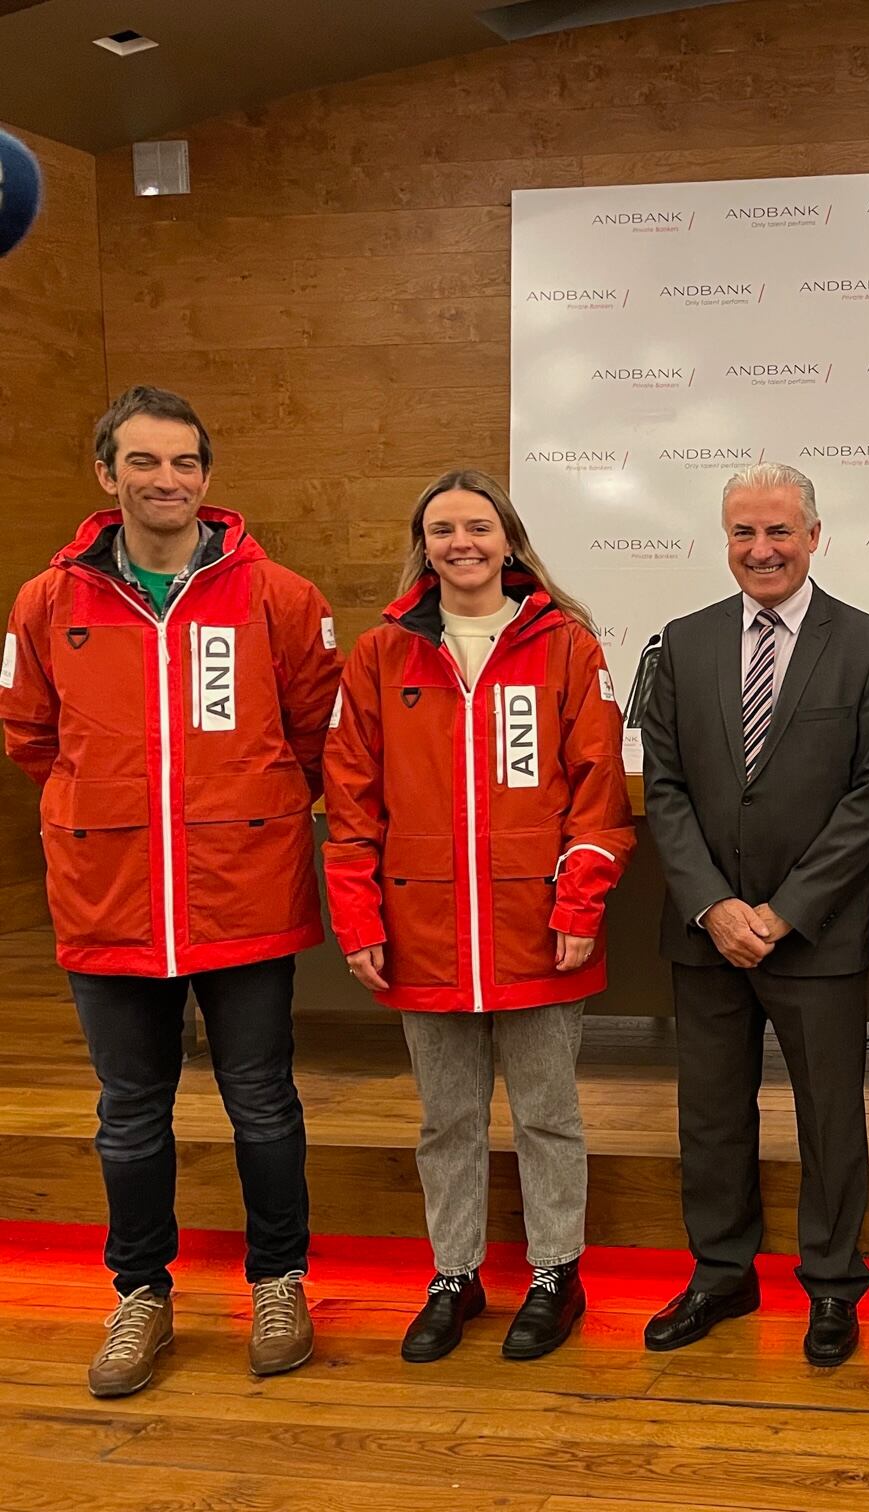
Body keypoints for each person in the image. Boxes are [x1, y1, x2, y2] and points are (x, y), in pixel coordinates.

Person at [0, 386, 340, 1396]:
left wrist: (246, 809)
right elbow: (29, 736)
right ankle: (140, 1294)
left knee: (265, 1105)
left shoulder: (281, 596)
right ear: (107, 476)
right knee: (129, 1113)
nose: (167, 480)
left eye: (185, 462)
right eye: (144, 462)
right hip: (110, 896)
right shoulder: (44, 602)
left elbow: (321, 736)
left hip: (245, 894)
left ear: (207, 476)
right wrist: (104, 809)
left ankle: (280, 1281)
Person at [322, 469, 632, 1364]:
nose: (462, 542)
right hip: (423, 934)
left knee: (549, 1116)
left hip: (541, 930)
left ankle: (554, 1274)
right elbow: (351, 803)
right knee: (445, 1121)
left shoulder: (567, 645)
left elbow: (598, 796)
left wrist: (579, 901)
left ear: (509, 540)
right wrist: (360, 919)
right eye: (443, 529)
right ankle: (453, 1274)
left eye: (478, 527)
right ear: (423, 545)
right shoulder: (381, 654)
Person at [639, 462, 869, 1368]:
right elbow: (665, 790)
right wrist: (713, 905)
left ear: (814, 536)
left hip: (816, 937)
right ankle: (721, 1272)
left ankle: (832, 1284)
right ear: (726, 543)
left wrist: (784, 913)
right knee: (710, 1116)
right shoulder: (682, 642)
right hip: (707, 936)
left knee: (831, 1118)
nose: (762, 550)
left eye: (780, 532)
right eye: (744, 534)